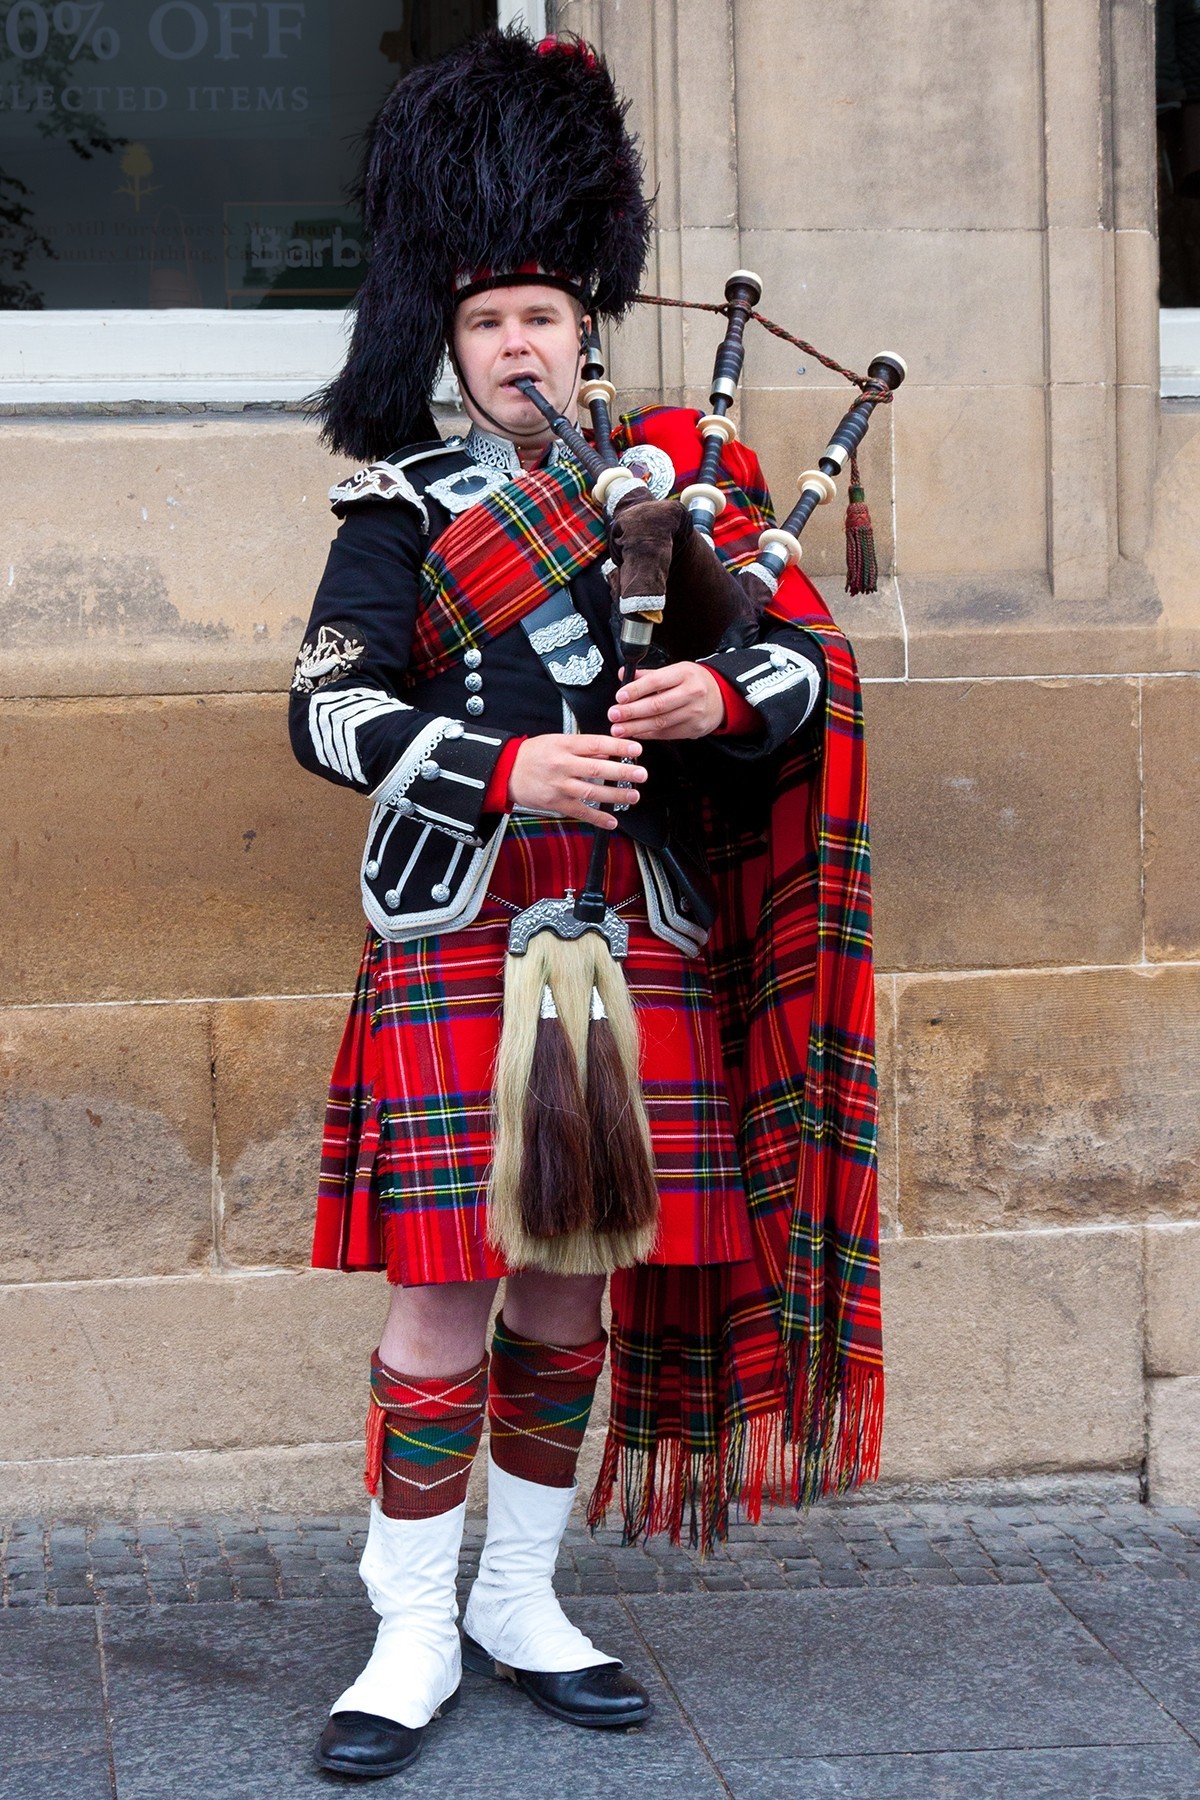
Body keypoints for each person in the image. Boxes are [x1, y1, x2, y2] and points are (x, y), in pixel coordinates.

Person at [289, 29, 882, 1783]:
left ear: (587, 327)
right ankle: (407, 1620)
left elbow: (795, 669)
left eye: (542, 315)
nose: (519, 344)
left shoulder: (687, 502)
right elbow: (324, 710)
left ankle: (518, 1597)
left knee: (571, 1294)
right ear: (445, 349)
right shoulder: (397, 510)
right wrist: (502, 766)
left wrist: (725, 697)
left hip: (637, 941)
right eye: (485, 324)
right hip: (467, 931)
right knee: (445, 1292)